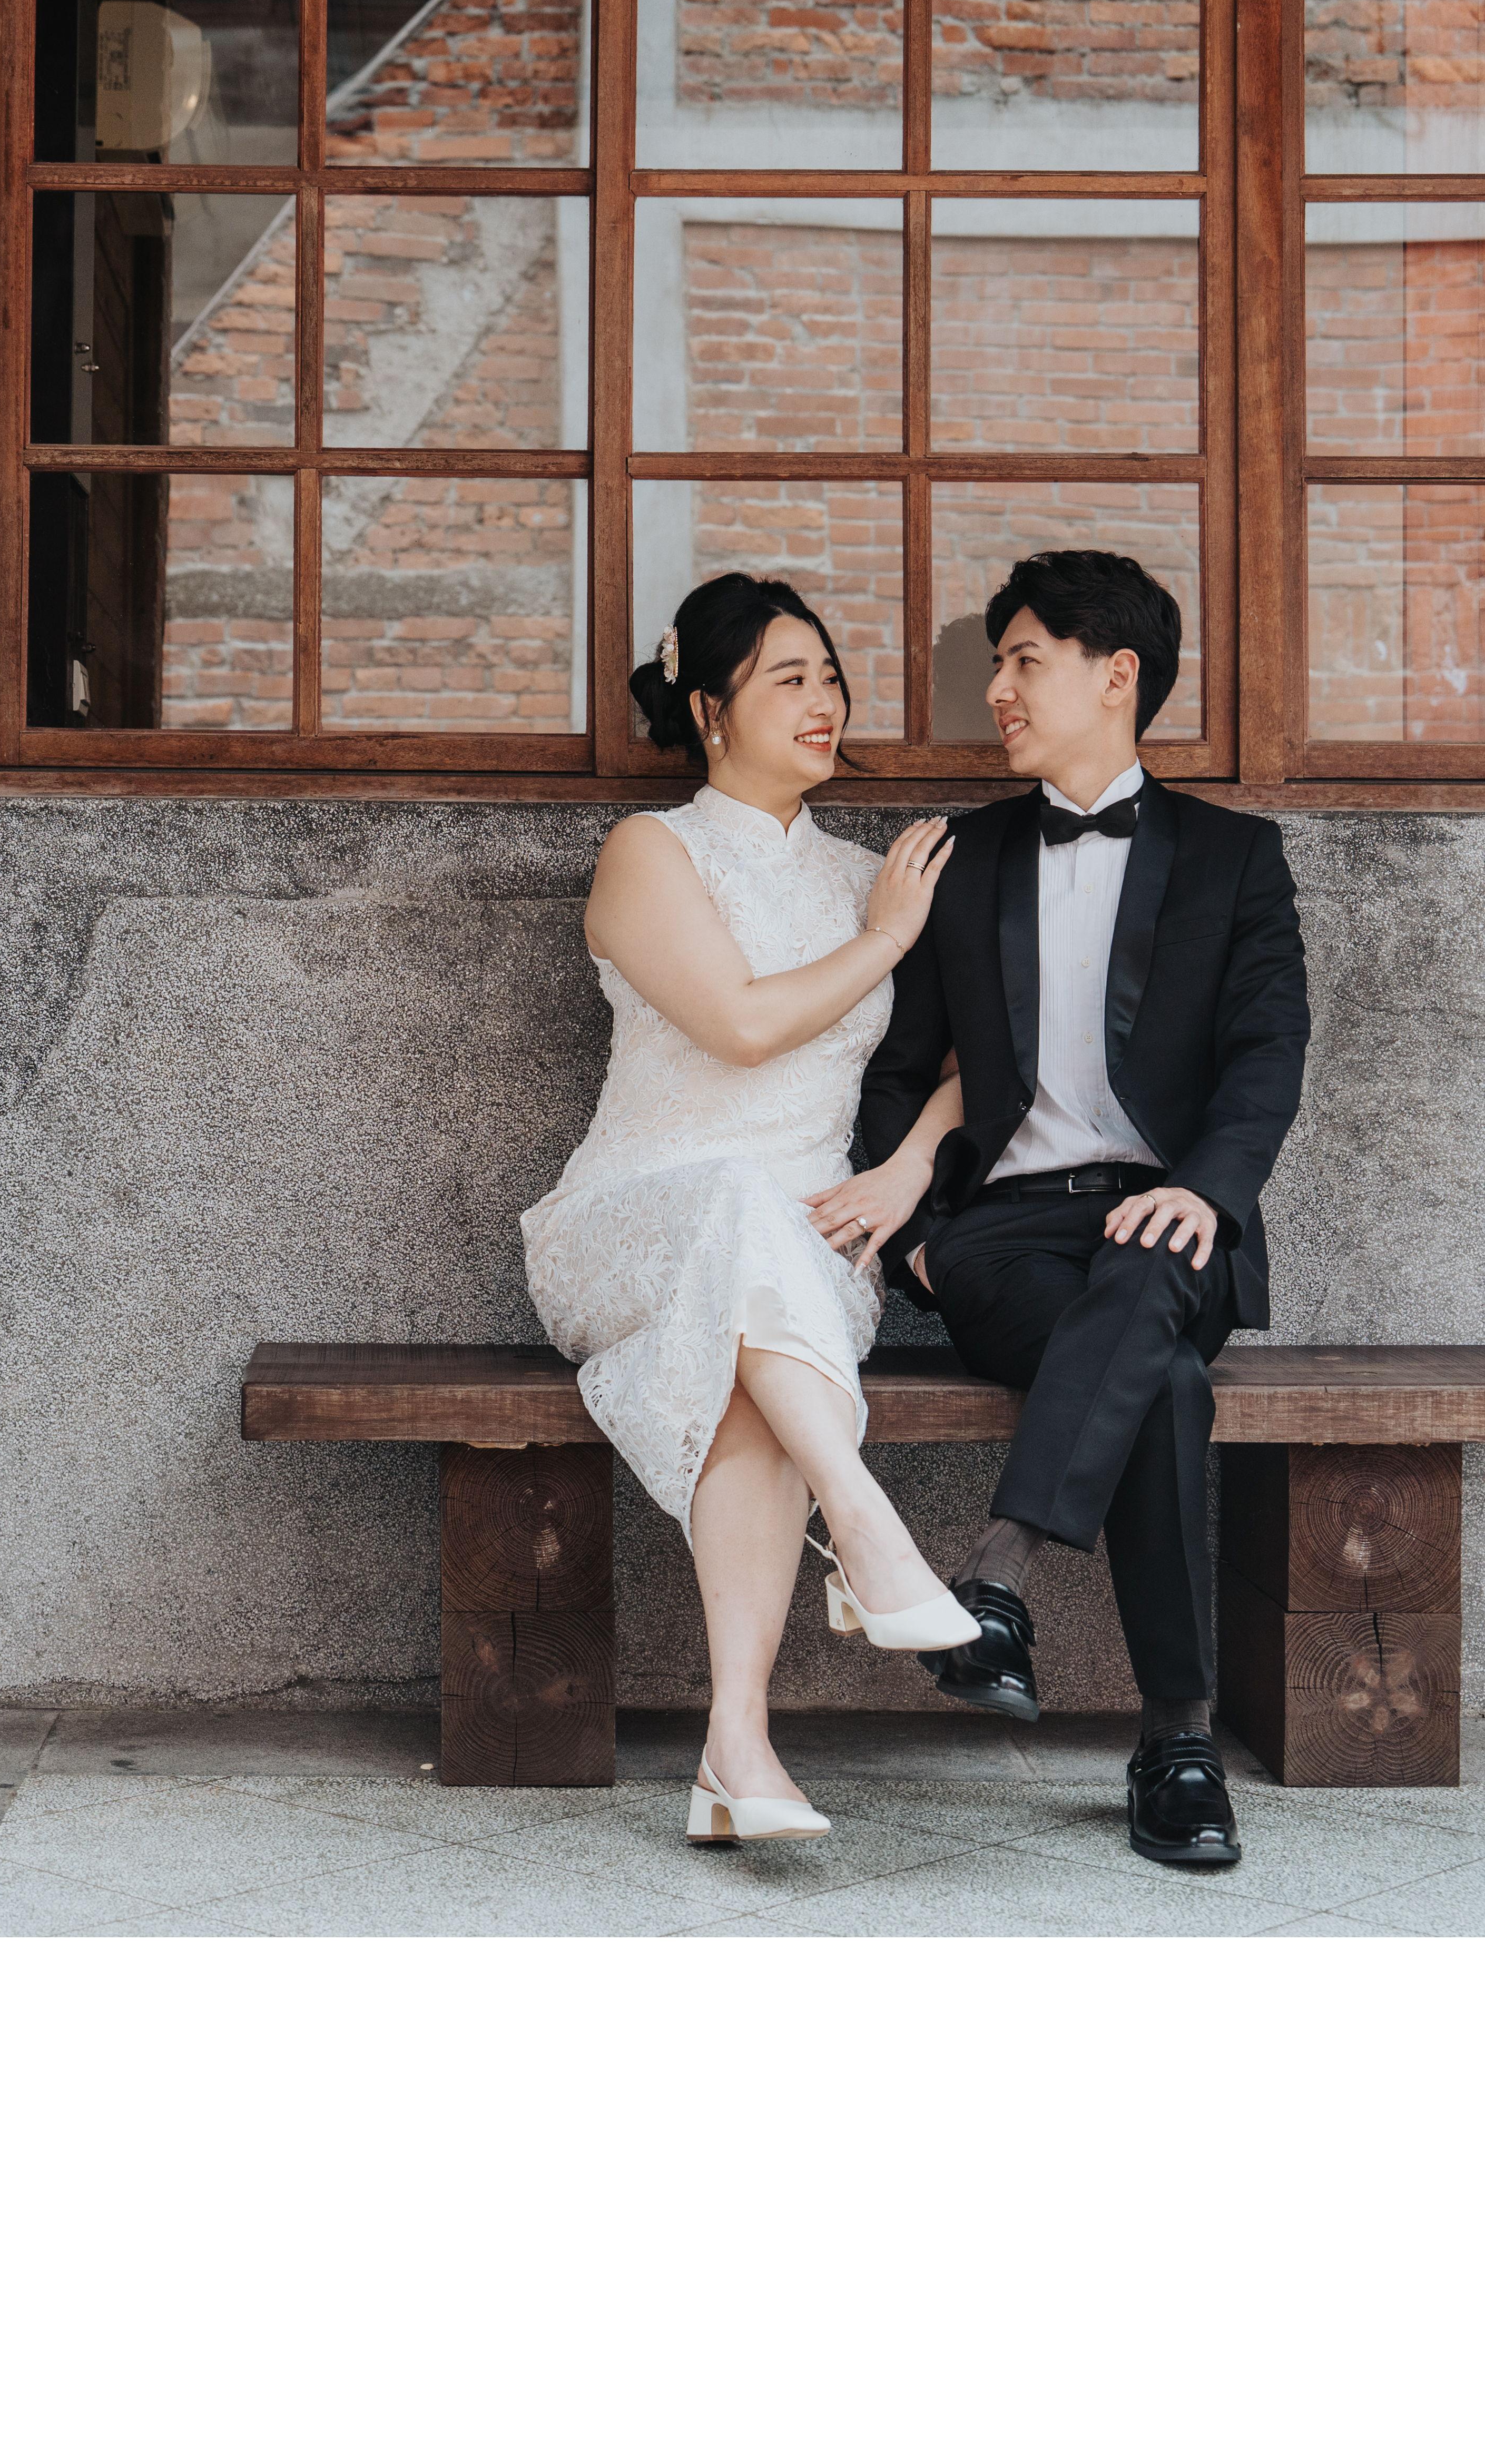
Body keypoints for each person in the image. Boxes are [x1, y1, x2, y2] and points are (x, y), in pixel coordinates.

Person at [842, 549, 1312, 1869]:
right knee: (1157, 1373)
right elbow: (899, 1067)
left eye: (1024, 661)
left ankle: (998, 1575)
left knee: (1152, 1288)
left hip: (1173, 1217)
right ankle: (1178, 1746)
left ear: (1117, 677)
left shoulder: (1235, 857)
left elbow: (1269, 1048)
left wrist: (1207, 1188)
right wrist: (922, 1240)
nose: (997, 688)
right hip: (1003, 1234)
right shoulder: (967, 858)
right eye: (998, 662)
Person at [522, 571, 980, 1847]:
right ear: (710, 710)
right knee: (737, 1214)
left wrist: (911, 1168)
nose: (825, 701)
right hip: (628, 1227)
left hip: (812, 1242)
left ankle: (737, 1749)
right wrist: (886, 942)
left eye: (831, 677)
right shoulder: (652, 851)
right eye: (790, 679)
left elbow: (979, 1062)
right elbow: (737, 1025)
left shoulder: (874, 878)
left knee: (756, 1360)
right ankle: (868, 1530)